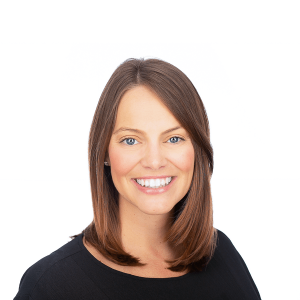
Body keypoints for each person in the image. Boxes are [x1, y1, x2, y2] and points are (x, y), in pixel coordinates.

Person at [14, 58, 261, 300]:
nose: (154, 161)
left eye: (174, 138)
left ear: (197, 149)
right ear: (105, 153)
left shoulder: (221, 255)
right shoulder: (50, 286)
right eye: (131, 140)